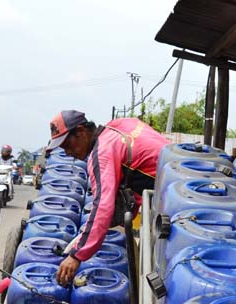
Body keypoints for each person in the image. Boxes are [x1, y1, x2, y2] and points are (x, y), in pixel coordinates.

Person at [46, 110, 169, 286]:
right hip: (182, 176)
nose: (67, 152)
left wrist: (77, 255)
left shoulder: (101, 153)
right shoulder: (118, 125)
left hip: (174, 198)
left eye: (67, 145)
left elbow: (102, 207)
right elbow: (140, 164)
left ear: (80, 132)